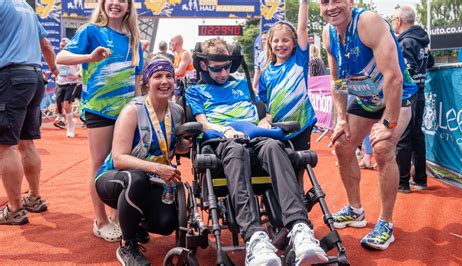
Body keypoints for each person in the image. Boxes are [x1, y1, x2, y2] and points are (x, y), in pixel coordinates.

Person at [186, 37, 328, 266]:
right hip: (225, 142)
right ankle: (254, 237)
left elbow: (263, 112)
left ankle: (299, 228)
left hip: (257, 139)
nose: (223, 73)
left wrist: (265, 122)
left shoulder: (242, 84)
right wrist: (226, 130)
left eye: (226, 67)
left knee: (274, 146)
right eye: (216, 68)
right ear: (203, 66)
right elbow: (202, 123)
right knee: (235, 149)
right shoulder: (196, 91)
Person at [320, 0, 419, 250]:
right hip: (367, 99)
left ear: (351, 2)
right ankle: (355, 211)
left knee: (383, 148)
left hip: (396, 96)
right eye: (324, 2)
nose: (331, 7)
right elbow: (337, 80)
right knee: (342, 144)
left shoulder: (368, 23)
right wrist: (341, 117)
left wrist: (388, 122)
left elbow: (394, 78)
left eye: (337, 0)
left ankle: (386, 224)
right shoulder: (328, 34)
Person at [56, 0, 144, 242]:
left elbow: (137, 80)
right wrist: (89, 57)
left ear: (128, 7)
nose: (116, 3)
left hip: (127, 113)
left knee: (121, 164)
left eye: (122, 1)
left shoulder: (133, 40)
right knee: (99, 163)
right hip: (99, 110)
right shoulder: (91, 31)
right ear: (104, 4)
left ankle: (116, 216)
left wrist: (138, 109)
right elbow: (60, 57)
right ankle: (100, 220)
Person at [96, 59, 189, 265]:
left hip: (154, 180)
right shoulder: (133, 110)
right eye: (158, 76)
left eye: (169, 76)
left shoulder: (177, 112)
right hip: (114, 178)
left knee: (166, 223)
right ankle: (127, 246)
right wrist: (157, 168)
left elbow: (175, 147)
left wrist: (187, 144)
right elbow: (119, 158)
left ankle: (135, 223)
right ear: (147, 81)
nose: (164, 81)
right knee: (136, 179)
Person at [0, 0, 58, 225]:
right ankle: (34, 198)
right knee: (27, 142)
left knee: (6, 147)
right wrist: (53, 69)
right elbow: (47, 47)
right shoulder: (26, 6)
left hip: (11, 78)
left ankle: (15, 209)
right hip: (35, 77)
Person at [258, 0, 317, 151]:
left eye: (285, 40)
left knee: (300, 166)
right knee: (280, 168)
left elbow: (302, 29)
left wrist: (303, 3)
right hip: (277, 129)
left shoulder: (299, 61)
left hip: (301, 124)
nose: (280, 44)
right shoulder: (265, 73)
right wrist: (265, 119)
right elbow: (265, 104)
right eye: (276, 41)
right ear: (270, 43)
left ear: (294, 42)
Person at [391, 6, 433, 193]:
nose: (392, 23)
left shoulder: (405, 42)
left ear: (399, 21)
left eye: (393, 19)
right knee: (416, 135)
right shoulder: (422, 41)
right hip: (421, 92)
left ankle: (402, 182)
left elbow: (406, 72)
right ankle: (421, 179)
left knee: (404, 137)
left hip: (409, 95)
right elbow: (430, 63)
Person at [54, 38, 81, 137]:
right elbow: (57, 68)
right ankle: (64, 119)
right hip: (60, 83)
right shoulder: (59, 56)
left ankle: (70, 129)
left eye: (63, 46)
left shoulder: (75, 56)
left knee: (67, 105)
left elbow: (81, 69)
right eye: (60, 46)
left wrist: (76, 76)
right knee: (58, 107)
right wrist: (57, 74)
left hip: (72, 84)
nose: (61, 48)